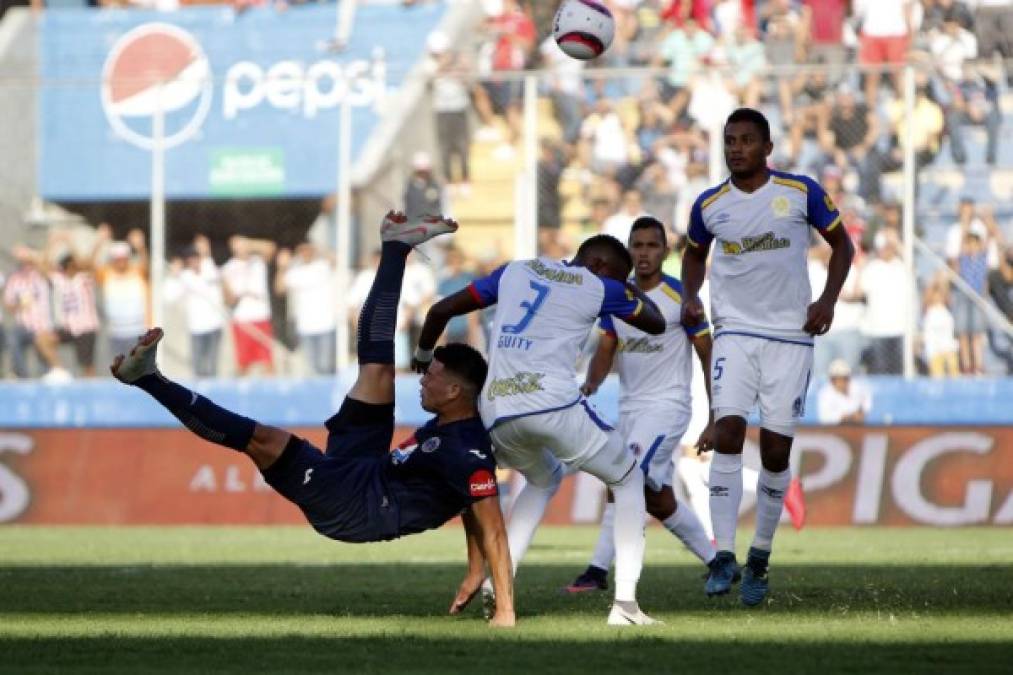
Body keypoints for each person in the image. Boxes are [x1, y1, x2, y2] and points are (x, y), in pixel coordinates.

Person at [110, 212, 515, 627]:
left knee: (262, 439)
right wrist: (472, 569)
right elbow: (467, 504)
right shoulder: (450, 428)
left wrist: (504, 610)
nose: (422, 381)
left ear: (454, 393)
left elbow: (493, 528)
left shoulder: (468, 451)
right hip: (368, 468)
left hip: (356, 506)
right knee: (377, 372)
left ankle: (147, 379)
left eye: (431, 378)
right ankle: (396, 247)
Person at [415, 234, 666, 625]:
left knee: (544, 476)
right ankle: (626, 606)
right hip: (552, 405)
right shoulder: (600, 285)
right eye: (619, 276)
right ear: (601, 268)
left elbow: (442, 309)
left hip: (496, 411)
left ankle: (498, 583)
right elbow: (656, 321)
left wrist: (423, 354)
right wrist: (626, 287)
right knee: (629, 478)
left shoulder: (517, 270)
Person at [680, 108, 854, 606]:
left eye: (746, 140)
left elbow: (843, 246)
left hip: (791, 337)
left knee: (776, 452)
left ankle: (759, 558)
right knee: (728, 432)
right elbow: (694, 253)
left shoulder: (800, 192)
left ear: (767, 147)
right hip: (734, 332)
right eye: (729, 140)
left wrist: (827, 300)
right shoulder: (709, 204)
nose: (736, 148)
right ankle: (723, 557)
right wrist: (693, 294)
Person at [564, 216, 717, 594]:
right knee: (660, 500)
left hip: (667, 407)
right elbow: (607, 346)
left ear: (665, 252)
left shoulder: (682, 297)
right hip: (630, 409)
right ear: (629, 250)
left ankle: (598, 573)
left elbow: (707, 354)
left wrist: (716, 414)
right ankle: (721, 563)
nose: (644, 252)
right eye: (638, 245)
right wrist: (591, 384)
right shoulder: (617, 296)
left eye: (652, 245)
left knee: (623, 479)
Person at [222, 235, 276, 376]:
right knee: (243, 364)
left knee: (267, 361)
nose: (241, 249)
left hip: (261, 316)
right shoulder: (228, 268)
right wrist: (227, 287)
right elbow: (229, 300)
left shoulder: (258, 261)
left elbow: (271, 248)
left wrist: (251, 243)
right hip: (242, 320)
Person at [817, 359, 872, 424]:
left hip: (856, 428)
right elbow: (824, 418)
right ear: (833, 380)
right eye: (840, 378)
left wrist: (861, 413)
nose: (843, 382)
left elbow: (866, 405)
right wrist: (844, 417)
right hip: (834, 430)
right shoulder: (825, 393)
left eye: (845, 378)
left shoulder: (856, 387)